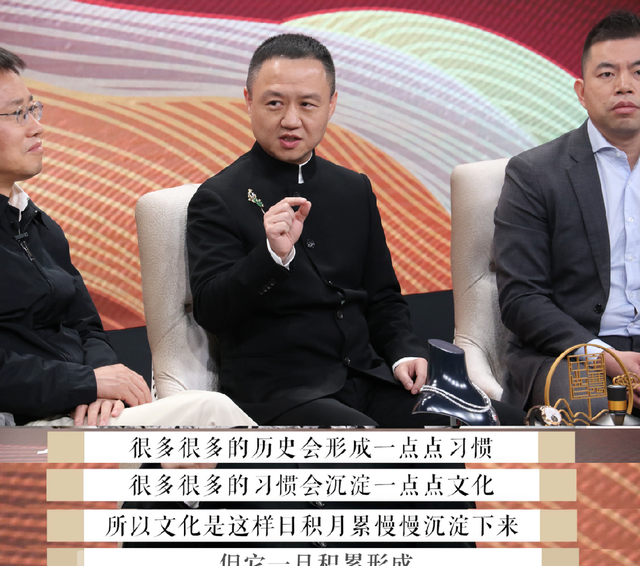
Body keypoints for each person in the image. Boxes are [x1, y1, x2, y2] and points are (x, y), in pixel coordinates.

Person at [188, 33, 517, 427]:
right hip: (279, 393)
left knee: (503, 425)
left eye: (307, 104)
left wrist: (403, 351)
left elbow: (383, 297)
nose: (290, 120)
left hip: (367, 379)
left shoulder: (352, 188)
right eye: (274, 103)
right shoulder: (218, 197)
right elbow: (211, 310)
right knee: (369, 447)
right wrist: (271, 256)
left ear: (331, 105)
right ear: (248, 101)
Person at [0, 47, 253, 428]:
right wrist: (87, 383)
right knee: (209, 414)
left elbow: (87, 328)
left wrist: (104, 384)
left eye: (33, 108)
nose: (37, 126)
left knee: (209, 425)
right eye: (18, 114)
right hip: (25, 439)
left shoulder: (38, 226)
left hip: (77, 416)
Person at [494, 10, 640, 414]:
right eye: (607, 74)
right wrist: (607, 358)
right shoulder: (535, 173)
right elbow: (521, 298)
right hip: (574, 354)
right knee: (589, 405)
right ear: (581, 91)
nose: (624, 85)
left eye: (638, 71)